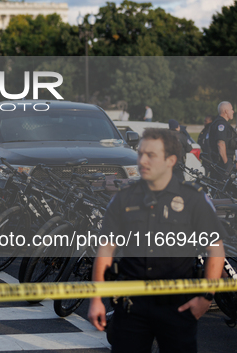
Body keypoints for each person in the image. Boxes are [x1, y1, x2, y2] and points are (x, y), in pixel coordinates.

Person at [88, 128, 224, 353]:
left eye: (151, 155)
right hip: (132, 305)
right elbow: (105, 250)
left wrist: (206, 298)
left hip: (178, 305)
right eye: (140, 153)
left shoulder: (193, 199)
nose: (142, 160)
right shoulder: (123, 199)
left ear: (170, 160)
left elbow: (215, 250)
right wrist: (95, 299)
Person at [208, 101, 236, 181]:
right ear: (226, 111)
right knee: (222, 188)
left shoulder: (223, 123)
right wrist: (226, 163)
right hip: (222, 163)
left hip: (223, 162)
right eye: (231, 109)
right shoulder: (221, 124)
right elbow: (221, 144)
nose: (233, 111)